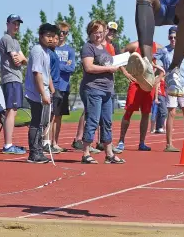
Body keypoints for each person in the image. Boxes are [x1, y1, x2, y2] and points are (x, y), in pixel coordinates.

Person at [80, 20, 125, 164]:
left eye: (101, 32)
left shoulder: (105, 49)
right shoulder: (88, 47)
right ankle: (86, 152)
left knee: (107, 122)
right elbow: (89, 67)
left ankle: (109, 153)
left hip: (107, 90)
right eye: (95, 32)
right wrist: (108, 69)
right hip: (94, 88)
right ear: (90, 33)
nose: (98, 35)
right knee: (93, 120)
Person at [116, 40, 163, 152]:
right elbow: (119, 57)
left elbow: (165, 61)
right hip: (136, 83)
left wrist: (159, 77)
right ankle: (121, 141)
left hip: (148, 84)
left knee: (146, 113)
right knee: (129, 112)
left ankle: (142, 142)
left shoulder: (157, 46)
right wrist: (125, 72)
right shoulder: (134, 45)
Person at [154, 27, 184, 152]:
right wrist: (160, 69)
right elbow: (151, 59)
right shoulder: (164, 51)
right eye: (171, 37)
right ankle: (169, 144)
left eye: (175, 37)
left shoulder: (183, 48)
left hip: (183, 83)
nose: (173, 39)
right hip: (171, 83)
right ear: (168, 38)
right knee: (172, 112)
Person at [24, 23, 58, 163]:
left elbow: (47, 73)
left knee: (42, 122)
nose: (50, 39)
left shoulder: (47, 52)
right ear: (40, 36)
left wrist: (52, 90)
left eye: (53, 36)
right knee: (36, 122)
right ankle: (34, 153)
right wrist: (43, 94)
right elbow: (37, 73)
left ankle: (38, 150)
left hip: (43, 91)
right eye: (48, 36)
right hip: (35, 93)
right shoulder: (38, 50)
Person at [0, 14, 27, 154]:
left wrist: (22, 58)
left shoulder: (15, 41)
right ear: (7, 24)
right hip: (11, 78)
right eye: (14, 23)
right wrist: (21, 58)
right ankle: (8, 145)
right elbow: (17, 60)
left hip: (16, 78)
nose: (16, 26)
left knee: (13, 111)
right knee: (11, 111)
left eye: (18, 24)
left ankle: (9, 144)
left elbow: (25, 60)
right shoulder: (7, 39)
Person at [53, 22, 75, 152]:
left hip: (64, 87)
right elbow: (50, 67)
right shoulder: (52, 49)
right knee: (50, 116)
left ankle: (55, 142)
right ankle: (47, 142)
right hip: (53, 86)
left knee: (59, 116)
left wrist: (58, 66)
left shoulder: (70, 50)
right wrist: (63, 66)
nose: (62, 35)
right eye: (60, 31)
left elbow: (71, 68)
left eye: (65, 32)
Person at [42, 32, 62, 154]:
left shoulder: (53, 53)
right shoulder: (48, 53)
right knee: (47, 116)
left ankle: (47, 142)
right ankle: (45, 142)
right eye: (53, 38)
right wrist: (52, 89)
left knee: (52, 115)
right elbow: (47, 72)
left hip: (55, 85)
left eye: (57, 38)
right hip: (51, 87)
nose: (56, 40)